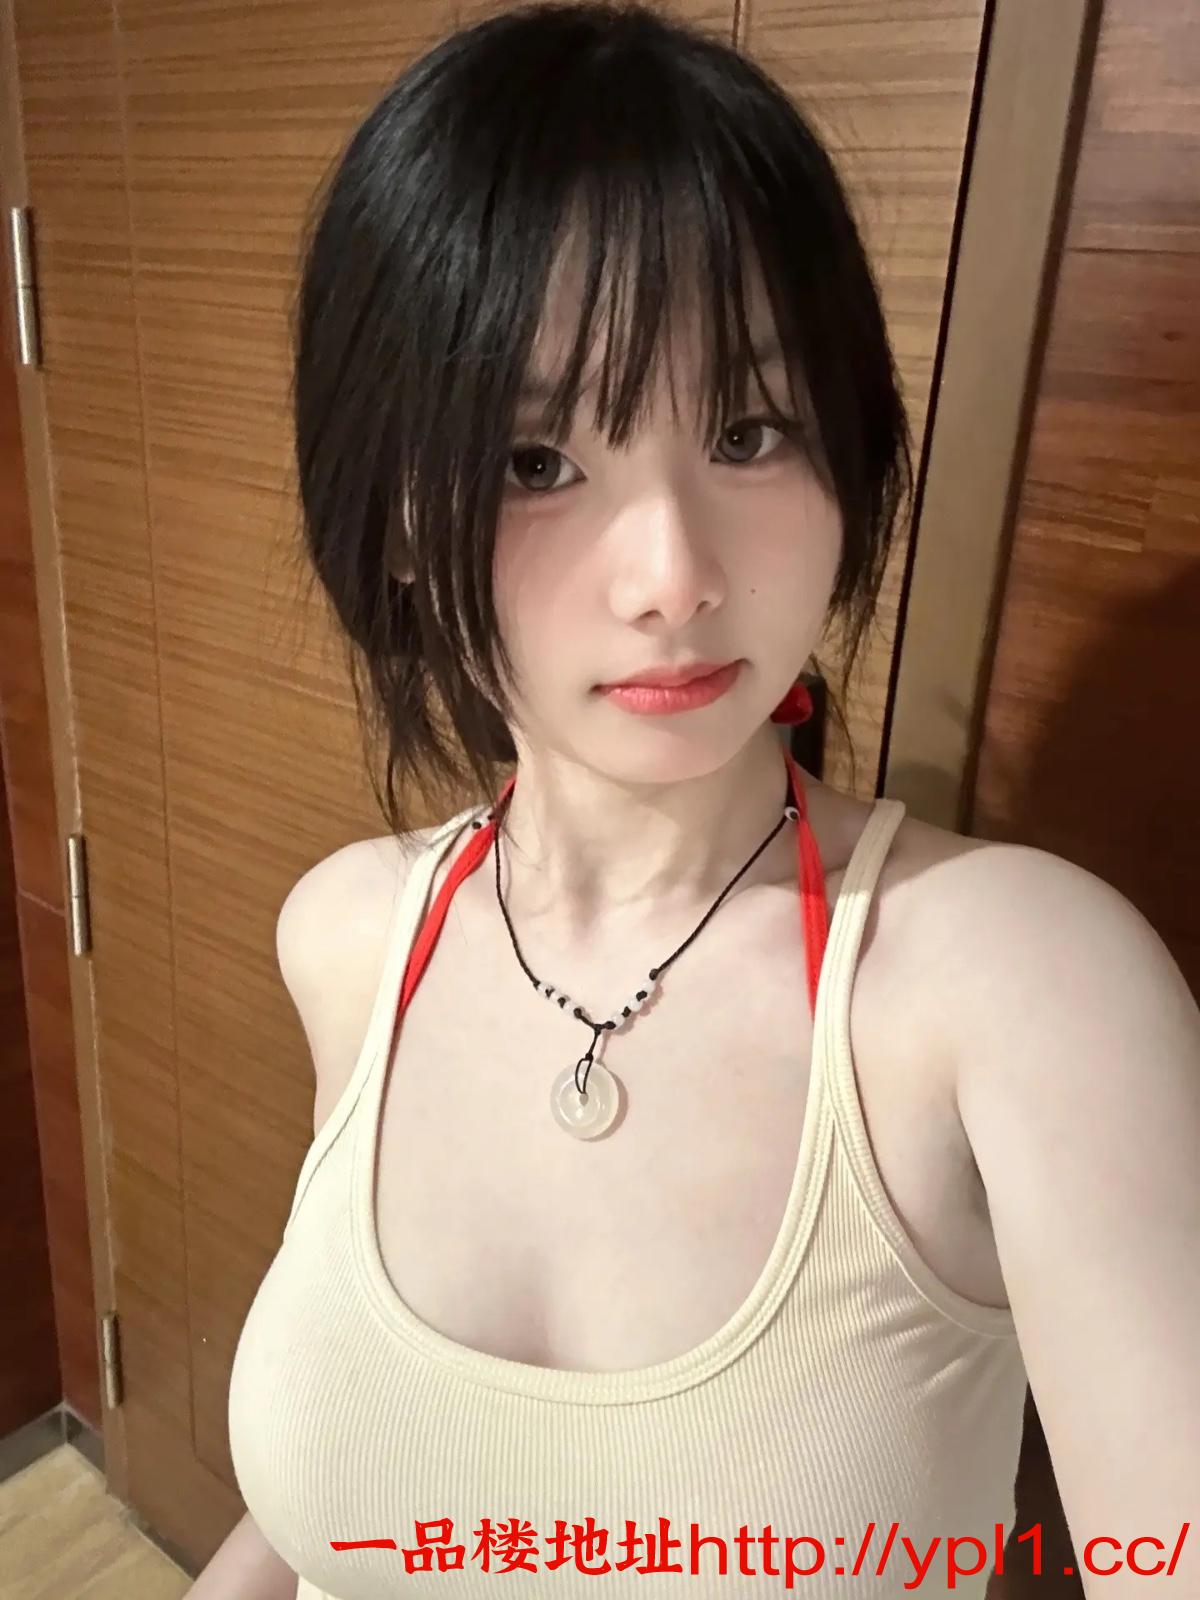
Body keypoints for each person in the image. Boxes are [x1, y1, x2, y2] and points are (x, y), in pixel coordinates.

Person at [186, 3, 1200, 1597]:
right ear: (394, 515)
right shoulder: (349, 936)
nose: (673, 577)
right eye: (534, 460)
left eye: (747, 430)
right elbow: (340, 1512)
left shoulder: (1015, 987)